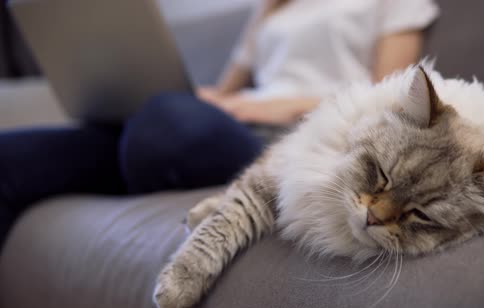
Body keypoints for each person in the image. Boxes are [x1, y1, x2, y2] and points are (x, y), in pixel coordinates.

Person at [0, 0, 439, 245]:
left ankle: (148, 147)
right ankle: (144, 150)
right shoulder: (272, 7)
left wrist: (271, 107)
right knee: (12, 158)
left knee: (164, 126)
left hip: (288, 138)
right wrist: (212, 99)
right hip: (225, 123)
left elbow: (386, 99)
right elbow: (228, 91)